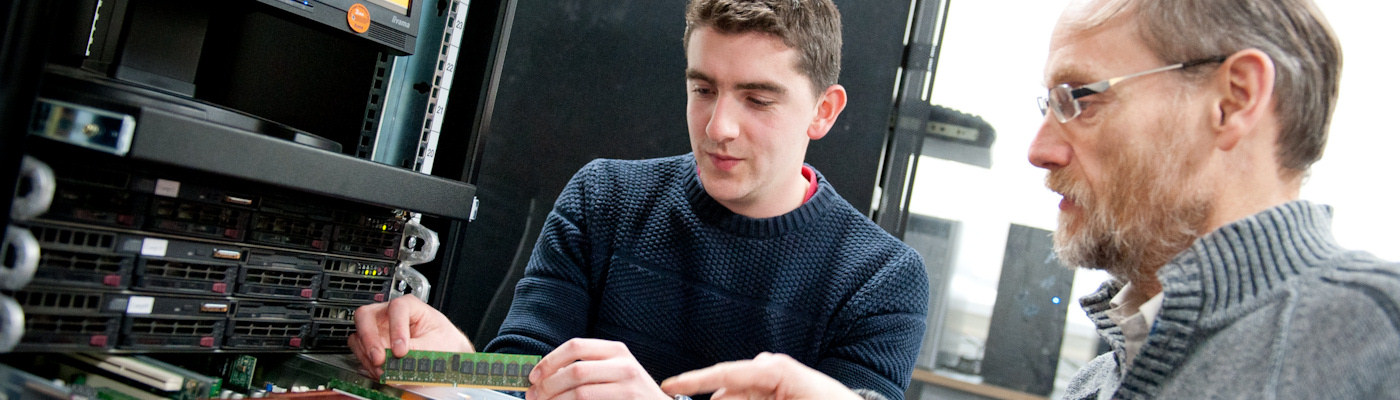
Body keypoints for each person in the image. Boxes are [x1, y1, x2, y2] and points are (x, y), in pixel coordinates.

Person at [349, 0, 930, 399]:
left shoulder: (880, 279)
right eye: (703, 89)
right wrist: (450, 365)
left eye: (757, 99)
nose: (718, 126)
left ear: (823, 111)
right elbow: (528, 378)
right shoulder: (605, 200)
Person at [1029, 0, 1400, 398]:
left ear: (1234, 100)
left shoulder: (1381, 333)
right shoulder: (1091, 386)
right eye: (1050, 105)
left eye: (1080, 99)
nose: (1039, 150)